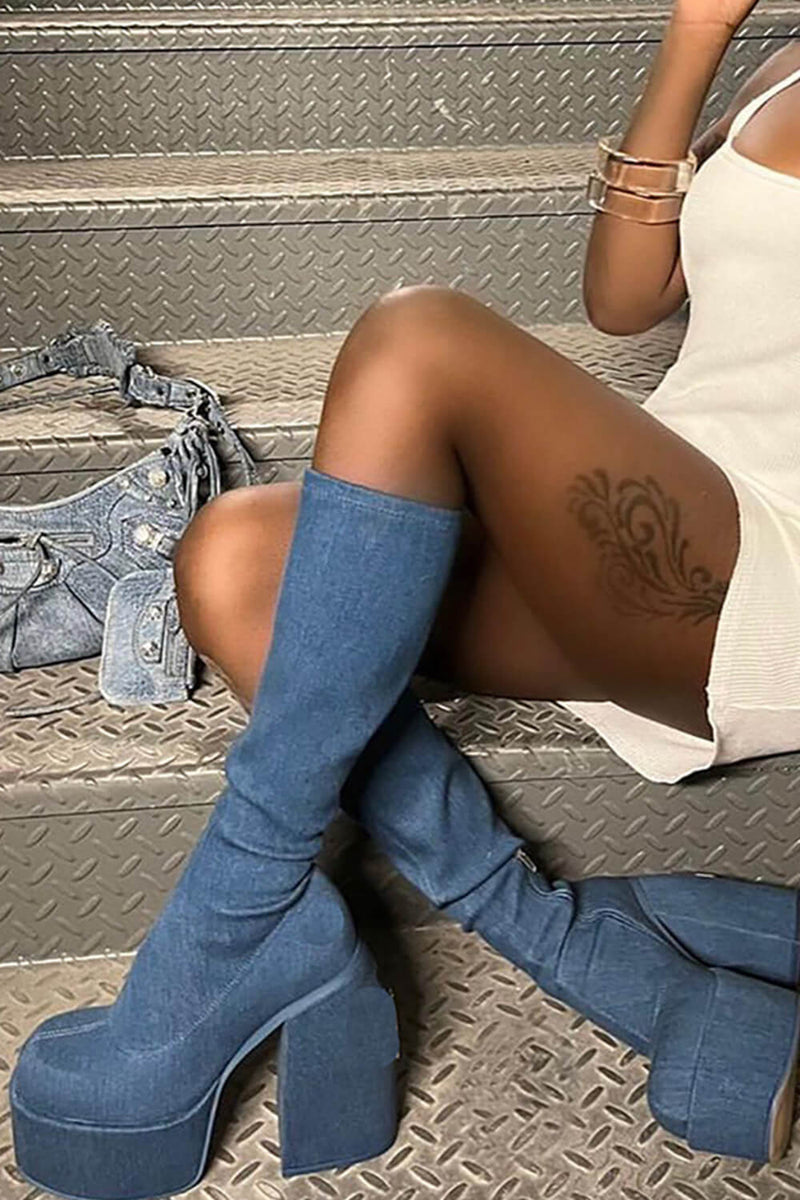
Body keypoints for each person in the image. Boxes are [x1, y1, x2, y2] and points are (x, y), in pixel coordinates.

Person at [10, 1, 800, 1197]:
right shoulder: (777, 62)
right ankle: (569, 946)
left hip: (766, 579)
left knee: (418, 338)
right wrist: (697, 33)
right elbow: (624, 300)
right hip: (659, 516)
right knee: (235, 559)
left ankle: (225, 929)